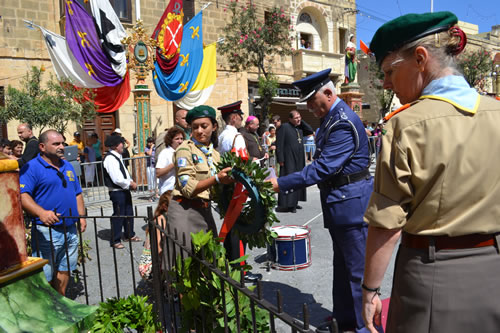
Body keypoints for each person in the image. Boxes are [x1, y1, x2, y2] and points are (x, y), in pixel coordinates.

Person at [361, 11, 500, 333]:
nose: (386, 83)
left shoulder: (405, 125)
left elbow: (386, 224)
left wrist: (370, 291)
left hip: (434, 276)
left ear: (420, 58)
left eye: (389, 71)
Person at [270, 68, 373, 333]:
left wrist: (281, 183)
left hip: (351, 204)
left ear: (328, 93)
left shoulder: (341, 121)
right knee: (342, 268)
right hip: (340, 203)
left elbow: (321, 169)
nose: (312, 111)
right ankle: (345, 320)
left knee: (356, 273)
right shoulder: (331, 117)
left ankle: (363, 327)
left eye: (314, 105)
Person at [19, 129, 87, 296]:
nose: (61, 147)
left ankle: (60, 299)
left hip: (70, 228)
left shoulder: (68, 165)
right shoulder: (32, 167)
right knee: (46, 272)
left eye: (62, 143)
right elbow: (22, 195)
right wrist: (41, 212)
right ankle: (48, 304)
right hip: (46, 230)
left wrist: (82, 216)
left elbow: (77, 192)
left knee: (66, 267)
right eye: (56, 144)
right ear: (42, 146)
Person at [166, 105, 233, 267]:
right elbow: (187, 188)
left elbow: (216, 191)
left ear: (214, 126)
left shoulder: (215, 155)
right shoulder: (185, 150)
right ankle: (173, 291)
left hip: (204, 210)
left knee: (209, 259)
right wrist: (217, 178)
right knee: (182, 261)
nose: (199, 131)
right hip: (184, 210)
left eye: (204, 126)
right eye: (195, 127)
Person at [217, 101, 262, 283]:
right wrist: (257, 164)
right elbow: (243, 164)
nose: (242, 119)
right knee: (239, 228)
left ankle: (230, 263)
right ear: (234, 117)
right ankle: (240, 270)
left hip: (226, 185)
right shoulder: (237, 137)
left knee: (230, 226)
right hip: (239, 188)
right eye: (240, 116)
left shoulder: (222, 136)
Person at [102, 135, 141, 249]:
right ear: (114, 146)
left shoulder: (117, 157)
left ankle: (129, 234)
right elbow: (117, 179)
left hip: (123, 190)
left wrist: (130, 181)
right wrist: (130, 183)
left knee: (128, 213)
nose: (123, 145)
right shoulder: (110, 159)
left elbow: (123, 173)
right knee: (119, 215)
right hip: (117, 191)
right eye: (121, 143)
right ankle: (115, 239)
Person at [275, 110, 313, 213]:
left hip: (299, 159)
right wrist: (280, 159)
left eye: (299, 117)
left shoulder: (300, 128)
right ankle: (289, 205)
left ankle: (295, 202)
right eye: (296, 118)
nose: (298, 119)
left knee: (298, 179)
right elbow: (279, 144)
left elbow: (310, 130)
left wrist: (301, 121)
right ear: (290, 119)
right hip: (288, 159)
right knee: (289, 180)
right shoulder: (284, 127)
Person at [156, 127, 184, 195]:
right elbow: (158, 173)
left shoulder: (183, 152)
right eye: (177, 139)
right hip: (168, 191)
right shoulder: (165, 153)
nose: (180, 141)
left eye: (181, 139)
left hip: (181, 192)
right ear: (171, 140)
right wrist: (173, 164)